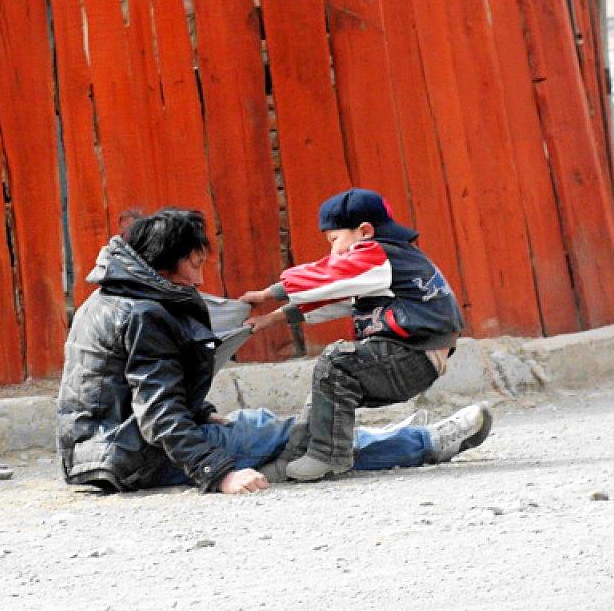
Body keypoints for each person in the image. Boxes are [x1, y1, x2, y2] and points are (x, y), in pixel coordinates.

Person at [56, 207, 479, 495]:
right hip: (131, 456)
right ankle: (422, 442)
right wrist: (218, 474)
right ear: (166, 263)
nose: (201, 279)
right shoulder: (145, 313)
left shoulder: (105, 299)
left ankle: (390, 437)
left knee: (263, 427)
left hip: (97, 450)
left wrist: (201, 414)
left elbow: (120, 387)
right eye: (196, 265)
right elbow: (157, 412)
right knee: (297, 438)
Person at [241, 188, 491, 482]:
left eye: (334, 240)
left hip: (409, 355)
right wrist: (271, 318)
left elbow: (328, 276)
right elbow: (336, 300)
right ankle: (290, 462)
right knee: (323, 394)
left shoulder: (378, 254)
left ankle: (328, 456)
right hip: (417, 359)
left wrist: (268, 293)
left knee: (334, 364)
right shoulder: (390, 265)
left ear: (364, 231)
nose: (333, 251)